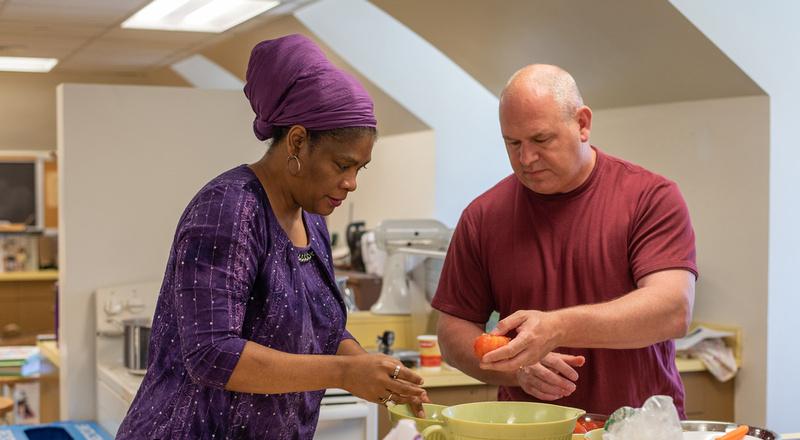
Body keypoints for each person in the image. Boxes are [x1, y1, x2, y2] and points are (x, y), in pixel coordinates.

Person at [117, 34, 427, 440]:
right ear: (297, 141)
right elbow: (210, 354)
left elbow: (324, 330)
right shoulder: (229, 209)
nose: (351, 183)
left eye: (360, 169)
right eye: (341, 164)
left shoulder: (312, 218)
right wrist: (343, 373)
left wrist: (374, 371)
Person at [431, 64, 697, 417]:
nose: (526, 159)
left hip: (638, 427)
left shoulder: (650, 198)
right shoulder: (482, 216)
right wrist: (513, 369)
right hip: (530, 428)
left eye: (541, 140)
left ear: (582, 124)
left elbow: (672, 310)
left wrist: (555, 328)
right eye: (513, 143)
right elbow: (452, 332)